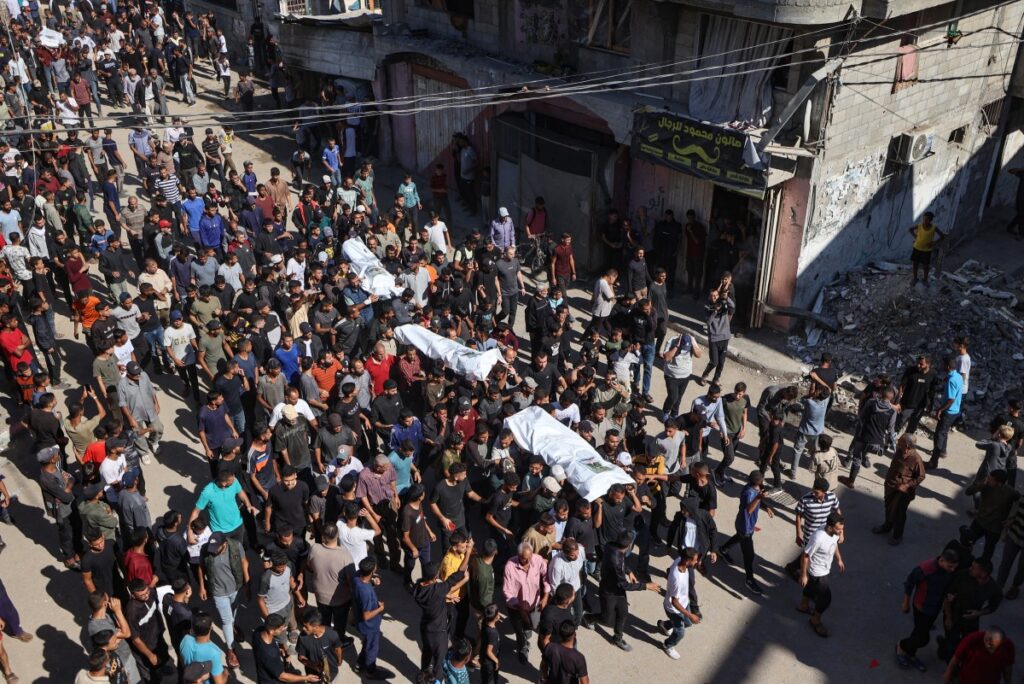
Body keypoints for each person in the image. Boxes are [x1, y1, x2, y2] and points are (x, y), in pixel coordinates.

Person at [583, 530, 660, 652]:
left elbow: (622, 560)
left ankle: (617, 638)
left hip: (617, 590)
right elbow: (624, 585)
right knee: (606, 618)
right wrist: (645, 586)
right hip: (608, 592)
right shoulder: (616, 560)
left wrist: (629, 571)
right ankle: (588, 618)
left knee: (623, 613)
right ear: (629, 545)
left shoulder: (611, 546)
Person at [413, 538, 473, 683]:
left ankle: (423, 677)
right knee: (439, 664)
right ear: (435, 577)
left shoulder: (418, 588)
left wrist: (445, 595)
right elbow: (459, 573)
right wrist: (468, 552)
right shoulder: (438, 589)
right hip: (438, 632)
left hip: (425, 627)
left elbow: (433, 594)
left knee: (426, 654)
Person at [896, 548, 960, 671]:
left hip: (935, 608)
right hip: (921, 607)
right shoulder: (925, 569)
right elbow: (909, 583)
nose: (952, 570)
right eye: (950, 566)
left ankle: (910, 653)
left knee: (918, 632)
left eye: (954, 567)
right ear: (941, 560)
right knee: (923, 639)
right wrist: (905, 602)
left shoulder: (948, 572)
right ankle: (902, 646)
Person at [719, 470, 774, 595]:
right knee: (749, 555)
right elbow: (749, 509)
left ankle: (723, 549)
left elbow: (758, 500)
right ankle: (749, 580)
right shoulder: (748, 493)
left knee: (739, 537)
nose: (763, 481)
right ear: (758, 481)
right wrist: (759, 497)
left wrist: (766, 507)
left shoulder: (756, 488)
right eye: (762, 480)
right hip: (745, 527)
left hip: (745, 525)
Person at [798, 512, 846, 638]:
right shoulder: (818, 538)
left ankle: (803, 606)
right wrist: (803, 575)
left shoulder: (834, 533)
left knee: (810, 587)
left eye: (842, 529)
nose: (841, 533)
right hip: (818, 572)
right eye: (839, 529)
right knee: (826, 599)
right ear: (830, 527)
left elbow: (834, 544)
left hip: (822, 570)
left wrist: (839, 559)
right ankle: (815, 621)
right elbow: (805, 556)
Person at [873, 434, 926, 545]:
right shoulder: (899, 451)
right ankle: (887, 527)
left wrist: (907, 485)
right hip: (890, 486)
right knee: (888, 508)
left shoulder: (916, 459)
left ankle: (897, 536)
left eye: (900, 441)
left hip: (902, 492)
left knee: (899, 514)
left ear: (907, 445)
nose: (898, 442)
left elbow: (921, 476)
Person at [656, 548, 701, 659]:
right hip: (674, 609)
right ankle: (667, 645)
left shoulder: (679, 560)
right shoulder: (677, 579)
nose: (696, 562)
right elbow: (674, 602)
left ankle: (665, 625)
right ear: (687, 561)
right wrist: (691, 615)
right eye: (695, 560)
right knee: (680, 632)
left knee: (688, 623)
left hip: (684, 603)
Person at [352, 557, 390, 680]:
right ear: (372, 571)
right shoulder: (366, 592)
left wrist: (372, 581)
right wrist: (380, 609)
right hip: (370, 625)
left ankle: (359, 663)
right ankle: (370, 671)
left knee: (367, 644)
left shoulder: (357, 578)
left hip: (360, 622)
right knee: (372, 648)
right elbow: (366, 615)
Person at [943, 627, 1015, 684]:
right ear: (985, 640)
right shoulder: (972, 640)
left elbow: (1008, 667)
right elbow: (956, 657)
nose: (994, 651)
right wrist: (948, 673)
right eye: (991, 647)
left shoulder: (1008, 646)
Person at [929, 356, 965, 469]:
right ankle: (943, 451)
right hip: (955, 410)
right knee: (944, 432)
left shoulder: (951, 380)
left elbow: (951, 399)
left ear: (948, 367)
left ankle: (933, 461)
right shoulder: (958, 376)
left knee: (939, 434)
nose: (941, 366)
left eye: (943, 364)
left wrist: (940, 410)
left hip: (949, 411)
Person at [698, 288, 734, 386]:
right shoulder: (707, 307)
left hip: (725, 337)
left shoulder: (724, 304)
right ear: (709, 297)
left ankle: (716, 378)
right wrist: (715, 311)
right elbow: (708, 322)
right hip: (714, 339)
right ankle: (705, 374)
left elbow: (732, 306)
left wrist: (726, 298)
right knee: (714, 362)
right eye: (712, 296)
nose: (714, 298)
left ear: (719, 296)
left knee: (721, 362)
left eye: (716, 296)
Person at [908, 211, 946, 286]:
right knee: (915, 264)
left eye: (927, 219)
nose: (925, 221)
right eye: (924, 219)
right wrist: (915, 236)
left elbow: (942, 236)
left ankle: (925, 280)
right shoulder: (919, 226)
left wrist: (934, 243)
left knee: (926, 266)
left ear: (931, 220)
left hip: (926, 250)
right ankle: (915, 278)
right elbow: (910, 229)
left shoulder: (934, 228)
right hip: (917, 248)